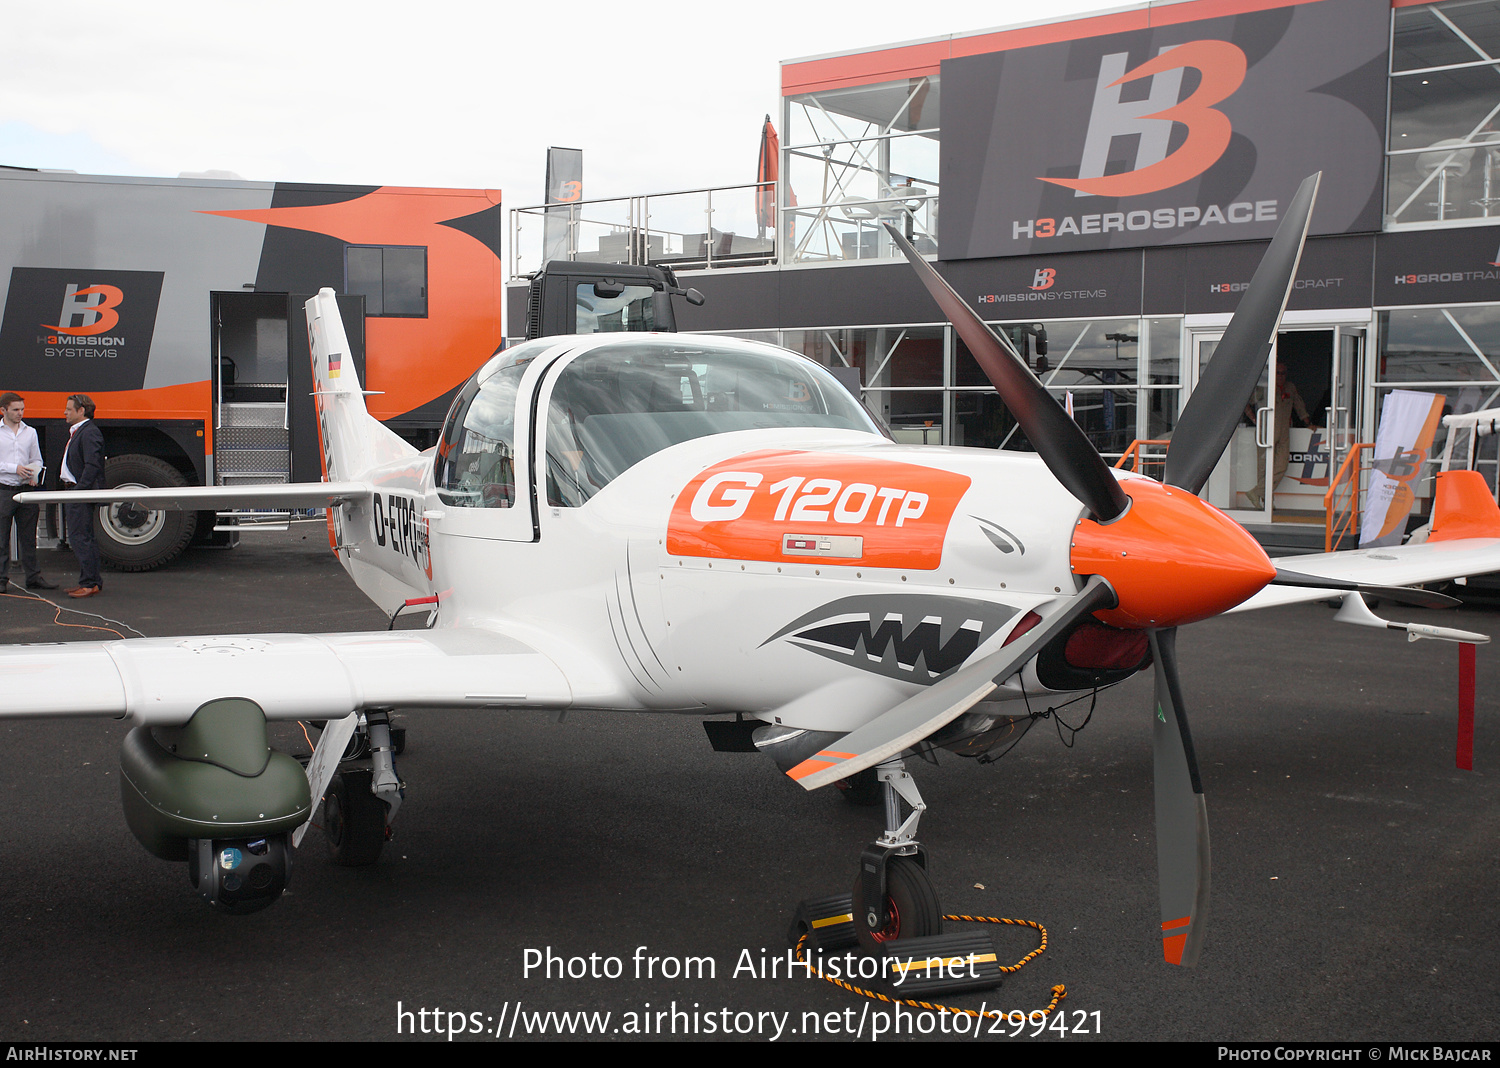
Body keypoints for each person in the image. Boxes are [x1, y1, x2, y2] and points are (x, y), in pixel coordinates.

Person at [0, 392, 58, 591]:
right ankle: (1, 579)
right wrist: (14, 468)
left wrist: (33, 474)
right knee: (1, 538)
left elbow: (37, 459)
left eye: (22, 410)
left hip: (26, 490)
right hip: (4, 489)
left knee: (28, 538)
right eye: (15, 410)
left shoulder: (30, 432)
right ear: (3, 410)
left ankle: (33, 577)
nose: (20, 413)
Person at [1245, 360, 1319, 511]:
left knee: (1282, 466)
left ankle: (1257, 492)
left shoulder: (1290, 387)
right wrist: (1254, 418)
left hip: (1283, 430)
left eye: (1283, 373)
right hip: (1265, 430)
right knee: (1263, 468)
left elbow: (1299, 405)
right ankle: (1266, 501)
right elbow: (1246, 402)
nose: (1280, 376)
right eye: (1277, 372)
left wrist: (1307, 423)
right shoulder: (1264, 387)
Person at [60, 394, 105, 598]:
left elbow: (93, 464)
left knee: (80, 538)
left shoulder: (89, 433)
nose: (65, 412)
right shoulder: (80, 431)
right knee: (83, 537)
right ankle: (91, 581)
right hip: (76, 491)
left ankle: (89, 583)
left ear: (81, 411)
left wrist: (80, 490)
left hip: (79, 492)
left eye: (69, 409)